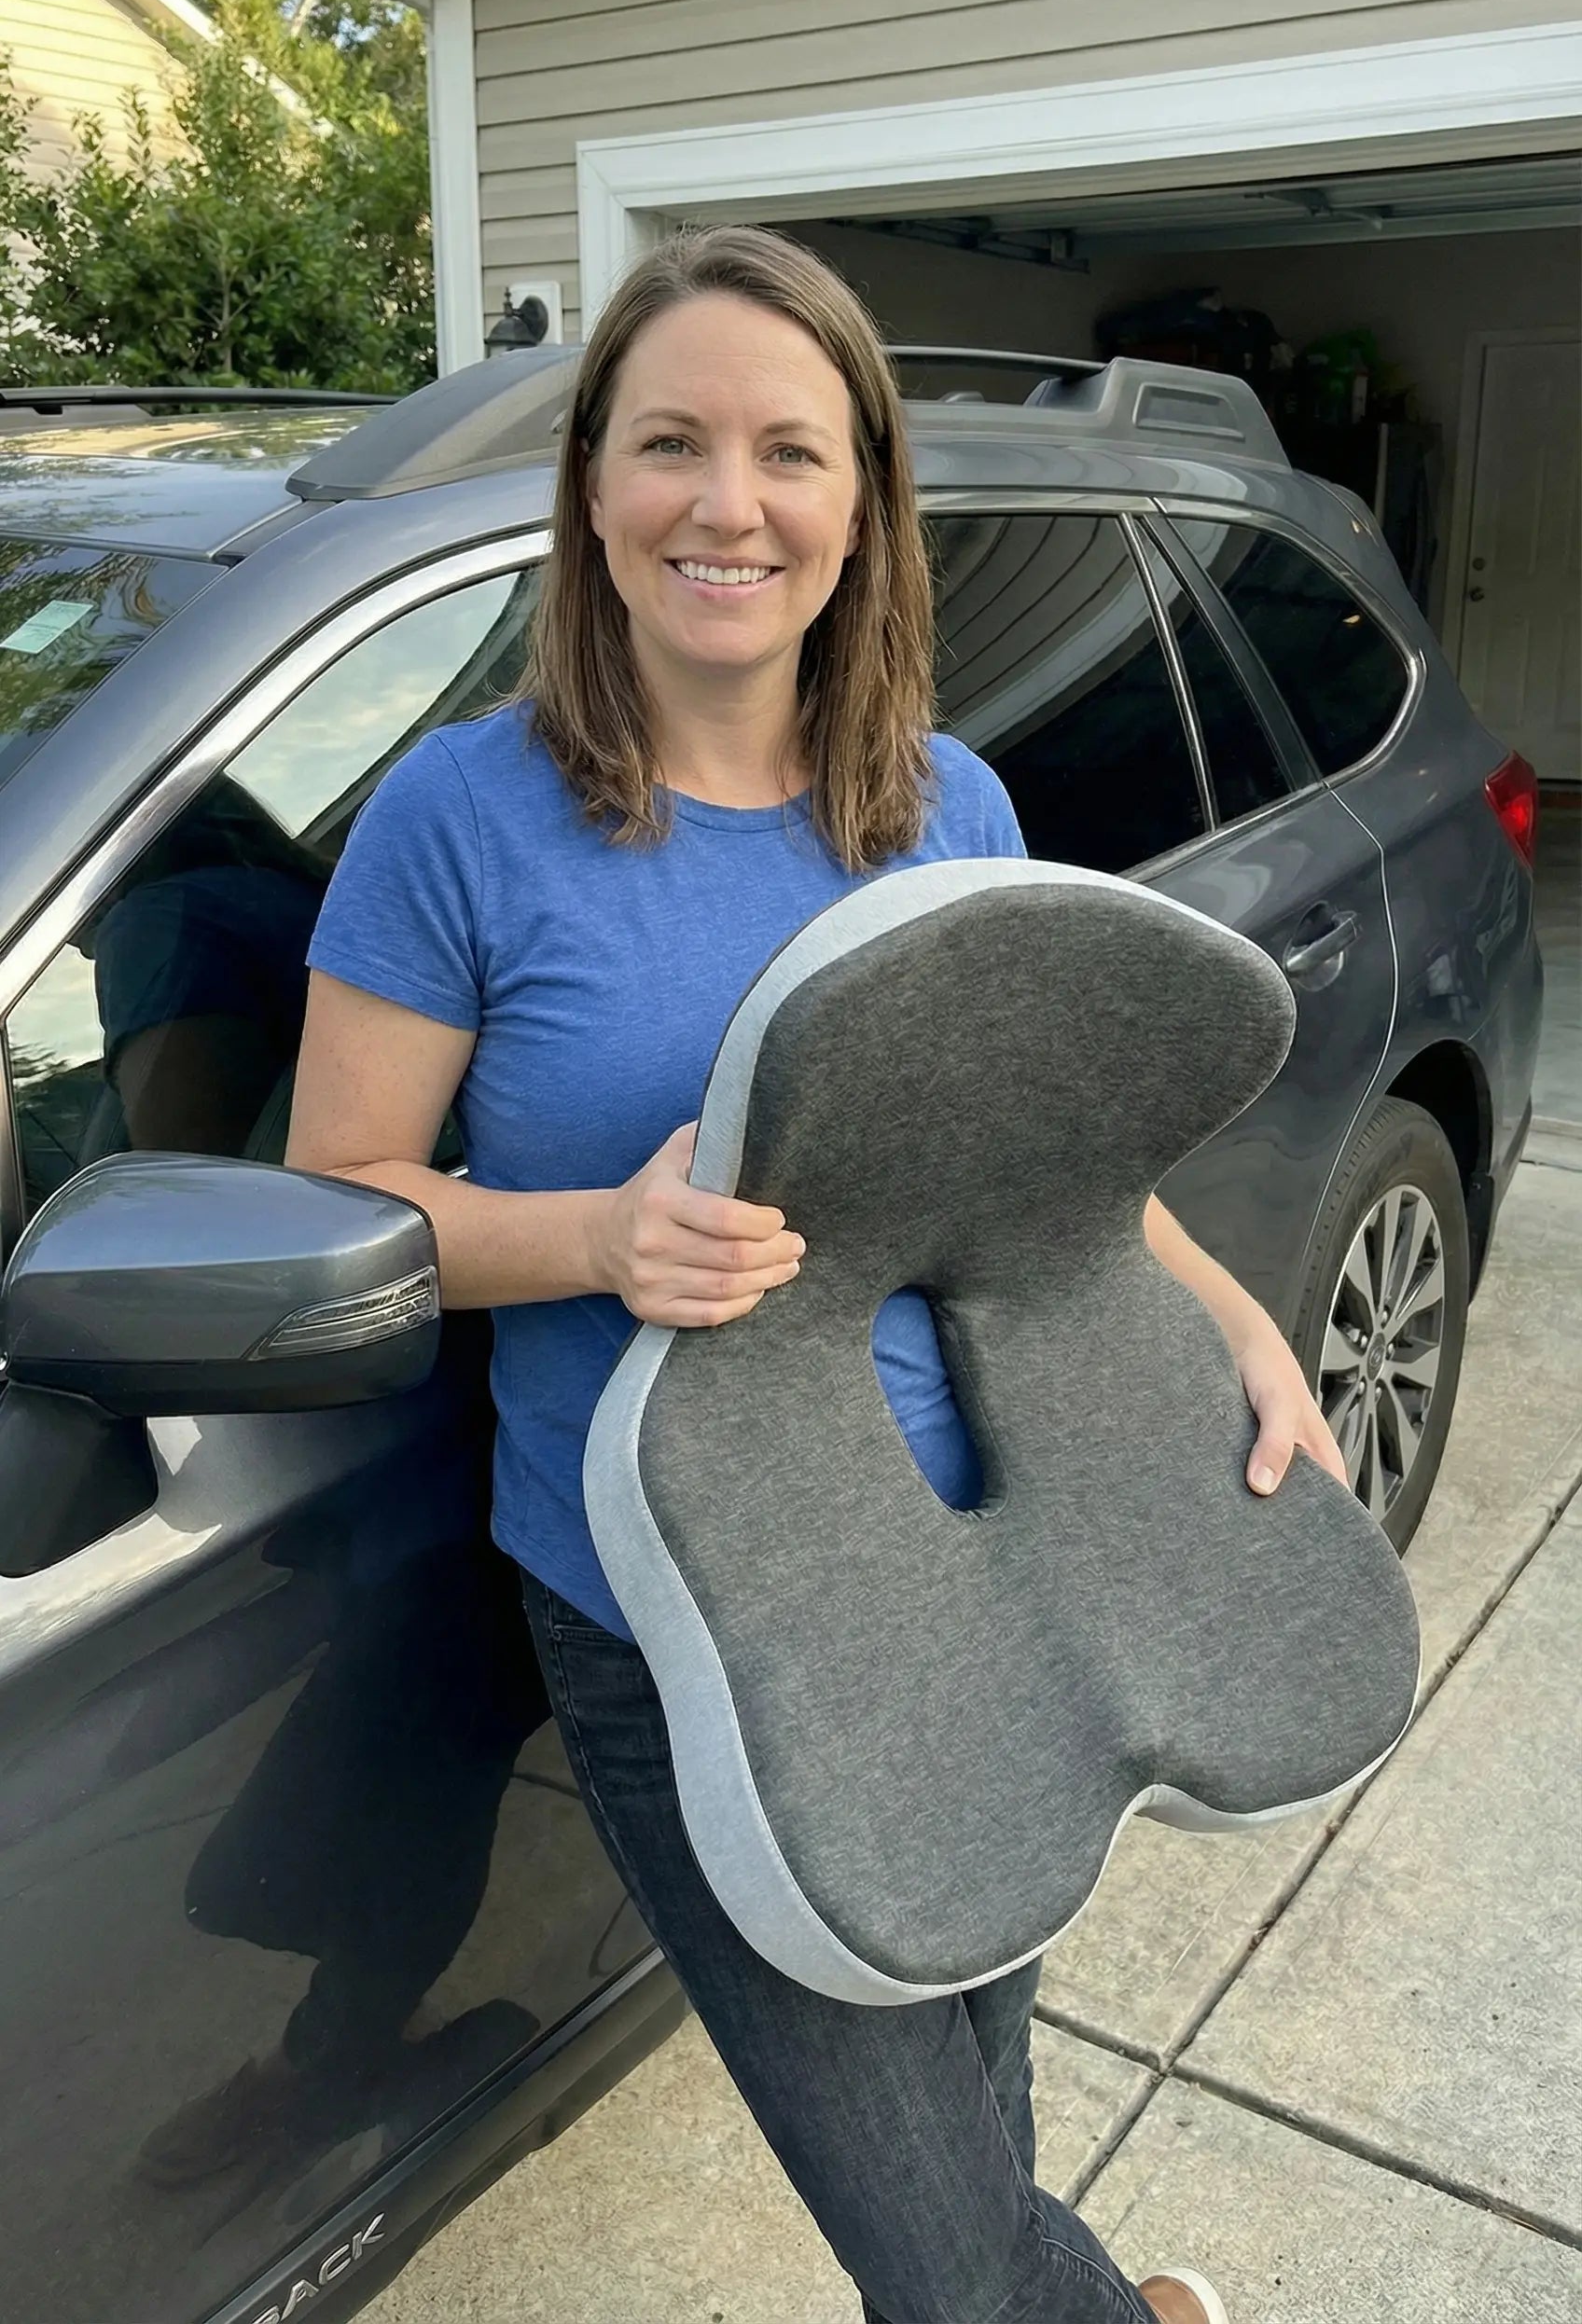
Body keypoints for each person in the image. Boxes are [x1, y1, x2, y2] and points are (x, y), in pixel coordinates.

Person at [288, 225, 1349, 2324]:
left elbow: (1049, 1174)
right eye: (670, 443)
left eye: (789, 451)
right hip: (681, 1603)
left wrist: (1232, 1320)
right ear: (594, 482)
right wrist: (594, 1237)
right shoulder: (459, 820)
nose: (729, 503)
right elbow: (340, 1193)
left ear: (860, 501)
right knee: (947, 2252)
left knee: (974, 2121)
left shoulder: (949, 804)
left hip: (986, 1557)